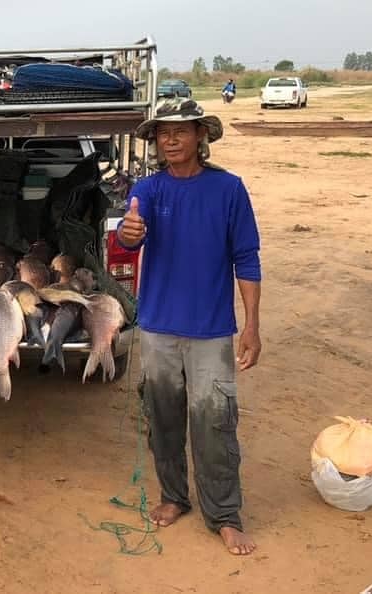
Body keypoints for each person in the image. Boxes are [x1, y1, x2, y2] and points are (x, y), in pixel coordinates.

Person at [116, 98, 261, 555]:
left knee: (215, 422)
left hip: (213, 329)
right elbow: (127, 236)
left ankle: (225, 514)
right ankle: (174, 497)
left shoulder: (229, 189)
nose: (171, 139)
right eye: (163, 132)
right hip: (158, 326)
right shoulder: (148, 190)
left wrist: (251, 325)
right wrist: (127, 234)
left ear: (202, 136)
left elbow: (247, 258)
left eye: (181, 130)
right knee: (163, 418)